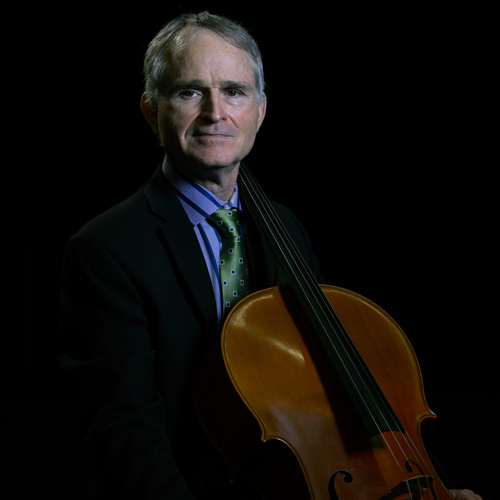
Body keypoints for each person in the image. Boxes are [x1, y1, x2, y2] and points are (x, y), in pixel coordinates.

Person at [59, 11, 482, 500]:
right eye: (189, 91)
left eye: (235, 91)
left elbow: (331, 393)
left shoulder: (286, 228)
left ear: (260, 110)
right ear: (152, 110)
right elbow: (123, 433)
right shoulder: (105, 250)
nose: (215, 112)